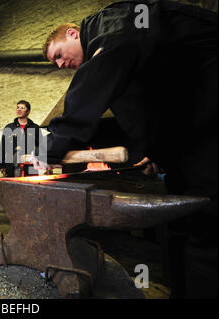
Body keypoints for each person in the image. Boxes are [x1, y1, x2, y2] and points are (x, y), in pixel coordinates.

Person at [40, 0, 217, 298]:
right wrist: (152, 152)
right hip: (192, 137)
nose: (60, 65)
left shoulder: (111, 23)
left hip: (211, 129)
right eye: (55, 64)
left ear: (72, 34)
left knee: (208, 232)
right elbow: (142, 108)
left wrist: (51, 150)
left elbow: (106, 66)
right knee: (181, 225)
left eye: (58, 55)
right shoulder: (120, 61)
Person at [0, 100, 42, 177]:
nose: (19, 109)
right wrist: (1, 165)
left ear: (28, 111)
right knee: (12, 187)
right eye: (18, 107)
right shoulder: (9, 127)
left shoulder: (35, 128)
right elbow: (3, 147)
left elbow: (41, 147)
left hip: (30, 165)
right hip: (11, 165)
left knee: (31, 186)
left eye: (22, 108)